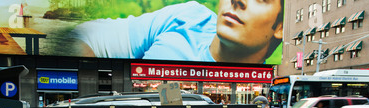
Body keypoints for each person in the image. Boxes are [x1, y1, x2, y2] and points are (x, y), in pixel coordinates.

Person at [74, 0, 284, 64]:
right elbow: (83, 36)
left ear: (281, 27)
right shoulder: (188, 16)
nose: (238, 0)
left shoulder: (255, 95)